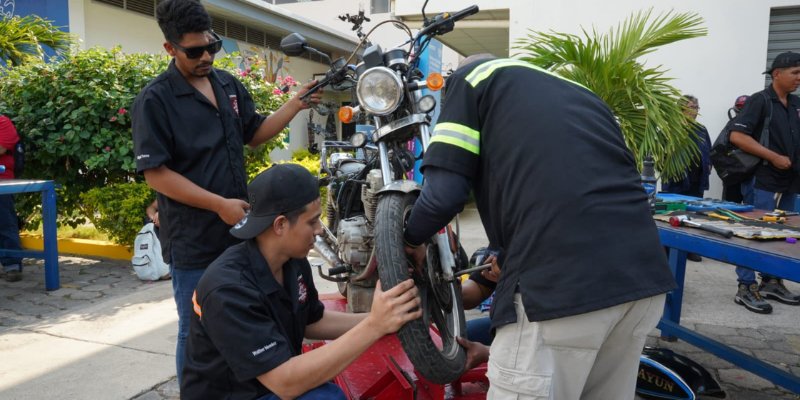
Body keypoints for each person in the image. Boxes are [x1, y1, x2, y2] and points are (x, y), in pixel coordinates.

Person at [403, 55, 676, 400]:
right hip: (642, 286)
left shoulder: (472, 78)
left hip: (561, 294)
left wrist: (410, 239)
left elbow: (443, 197)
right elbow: (560, 203)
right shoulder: (584, 98)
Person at [131, 0, 321, 382]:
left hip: (241, 231)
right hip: (194, 239)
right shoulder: (155, 100)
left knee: (247, 319)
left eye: (211, 46)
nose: (206, 56)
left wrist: (295, 105)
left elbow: (253, 134)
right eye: (194, 51)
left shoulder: (226, 84)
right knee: (197, 328)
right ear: (170, 48)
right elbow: (156, 174)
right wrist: (218, 205)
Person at [181, 164, 421, 399]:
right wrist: (375, 326)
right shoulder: (228, 289)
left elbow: (312, 321)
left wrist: (384, 319)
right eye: (312, 221)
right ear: (280, 225)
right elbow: (285, 383)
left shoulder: (292, 260)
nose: (319, 230)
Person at [728, 51, 800, 313]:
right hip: (763, 180)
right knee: (754, 233)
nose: (799, 78)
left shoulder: (795, 104)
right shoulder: (760, 101)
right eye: (795, 73)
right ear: (777, 74)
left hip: (790, 182)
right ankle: (746, 286)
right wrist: (773, 157)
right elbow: (737, 136)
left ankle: (771, 280)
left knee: (783, 234)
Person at [660, 95, 711, 262]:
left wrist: (709, 165)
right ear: (680, 109)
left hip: (697, 180)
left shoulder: (701, 129)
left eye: (697, 107)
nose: (695, 111)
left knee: (693, 214)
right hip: (677, 179)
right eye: (691, 107)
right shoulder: (670, 128)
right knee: (673, 213)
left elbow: (708, 150)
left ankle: (689, 249)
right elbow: (661, 154)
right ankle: (667, 249)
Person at [0, 115, 23, 282]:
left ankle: (12, 266)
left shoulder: (3, 122)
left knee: (5, 222)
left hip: (3, 182)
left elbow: (1, 148)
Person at [720, 95, 749, 203]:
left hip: (749, 174)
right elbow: (720, 148)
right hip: (733, 173)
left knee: (750, 210)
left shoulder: (757, 125)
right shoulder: (730, 126)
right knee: (730, 207)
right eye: (740, 107)